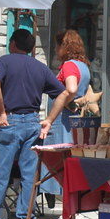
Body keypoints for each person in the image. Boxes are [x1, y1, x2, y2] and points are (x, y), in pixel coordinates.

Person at [0, 29, 72, 219]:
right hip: (32, 122)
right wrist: (49, 120)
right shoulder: (40, 67)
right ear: (31, 48)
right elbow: (65, 93)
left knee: (0, 175)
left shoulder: (5, 61)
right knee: (30, 177)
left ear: (12, 44)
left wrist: (1, 112)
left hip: (9, 121)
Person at [38, 29, 92, 198]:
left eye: (57, 45)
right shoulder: (84, 66)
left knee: (57, 162)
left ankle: (65, 208)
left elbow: (71, 89)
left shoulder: (69, 65)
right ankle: (71, 207)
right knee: (70, 162)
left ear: (65, 46)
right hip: (74, 123)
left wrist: (53, 114)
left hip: (62, 122)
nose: (55, 49)